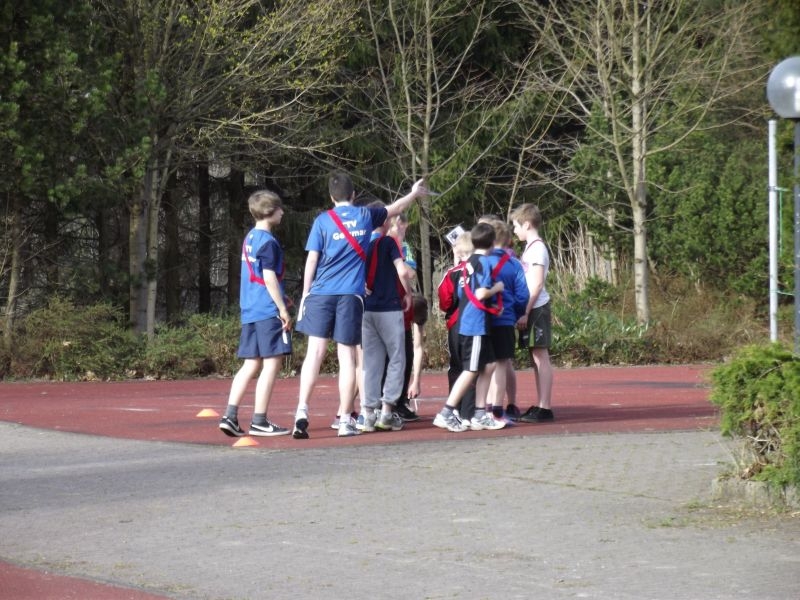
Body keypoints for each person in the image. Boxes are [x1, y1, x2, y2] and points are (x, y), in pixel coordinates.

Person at [291, 172, 428, 439]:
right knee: (347, 358)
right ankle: (345, 419)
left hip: (321, 293)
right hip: (349, 296)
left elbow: (312, 260)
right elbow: (396, 208)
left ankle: (301, 411)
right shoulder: (365, 216)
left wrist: (306, 294)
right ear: (354, 196)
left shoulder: (322, 221)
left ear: (331, 198)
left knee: (314, 353)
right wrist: (413, 193)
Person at [219, 190, 292, 438]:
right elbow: (269, 278)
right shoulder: (269, 243)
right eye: (279, 208)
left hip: (250, 308)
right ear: (270, 211)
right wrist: (282, 308)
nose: (283, 212)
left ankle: (230, 415)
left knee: (250, 363)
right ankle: (260, 420)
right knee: (272, 362)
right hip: (267, 309)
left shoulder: (250, 237)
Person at [433, 222, 505, 432]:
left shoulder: (469, 262)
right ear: (492, 243)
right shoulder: (483, 262)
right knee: (470, 370)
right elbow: (481, 293)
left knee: (489, 365)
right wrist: (497, 288)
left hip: (475, 321)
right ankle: (447, 412)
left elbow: (464, 292)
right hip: (474, 325)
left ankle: (480, 413)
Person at [360, 201, 413, 432]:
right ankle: (387, 410)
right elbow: (402, 270)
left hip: (367, 308)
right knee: (397, 358)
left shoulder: (361, 243)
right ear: (386, 220)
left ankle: (368, 413)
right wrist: (407, 293)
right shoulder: (389, 242)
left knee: (371, 362)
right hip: (389, 307)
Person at [511, 203, 554, 422]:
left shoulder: (537, 249)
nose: (514, 230)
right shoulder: (530, 248)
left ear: (527, 224)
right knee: (534, 356)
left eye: (516, 226)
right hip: (530, 307)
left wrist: (526, 311)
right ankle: (540, 404)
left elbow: (536, 285)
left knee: (540, 356)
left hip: (536, 308)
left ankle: (545, 407)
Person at [483, 219, 529, 423]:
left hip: (484, 318)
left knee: (485, 363)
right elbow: (523, 295)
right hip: (505, 319)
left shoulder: (482, 262)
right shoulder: (514, 265)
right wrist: (517, 313)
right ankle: (497, 408)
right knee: (502, 363)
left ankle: (482, 406)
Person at [437, 231, 476, 423]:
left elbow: (444, 301)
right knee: (473, 367)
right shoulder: (479, 269)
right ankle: (469, 412)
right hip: (475, 323)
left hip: (455, 323)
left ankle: (455, 409)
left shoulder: (452, 273)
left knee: (457, 366)